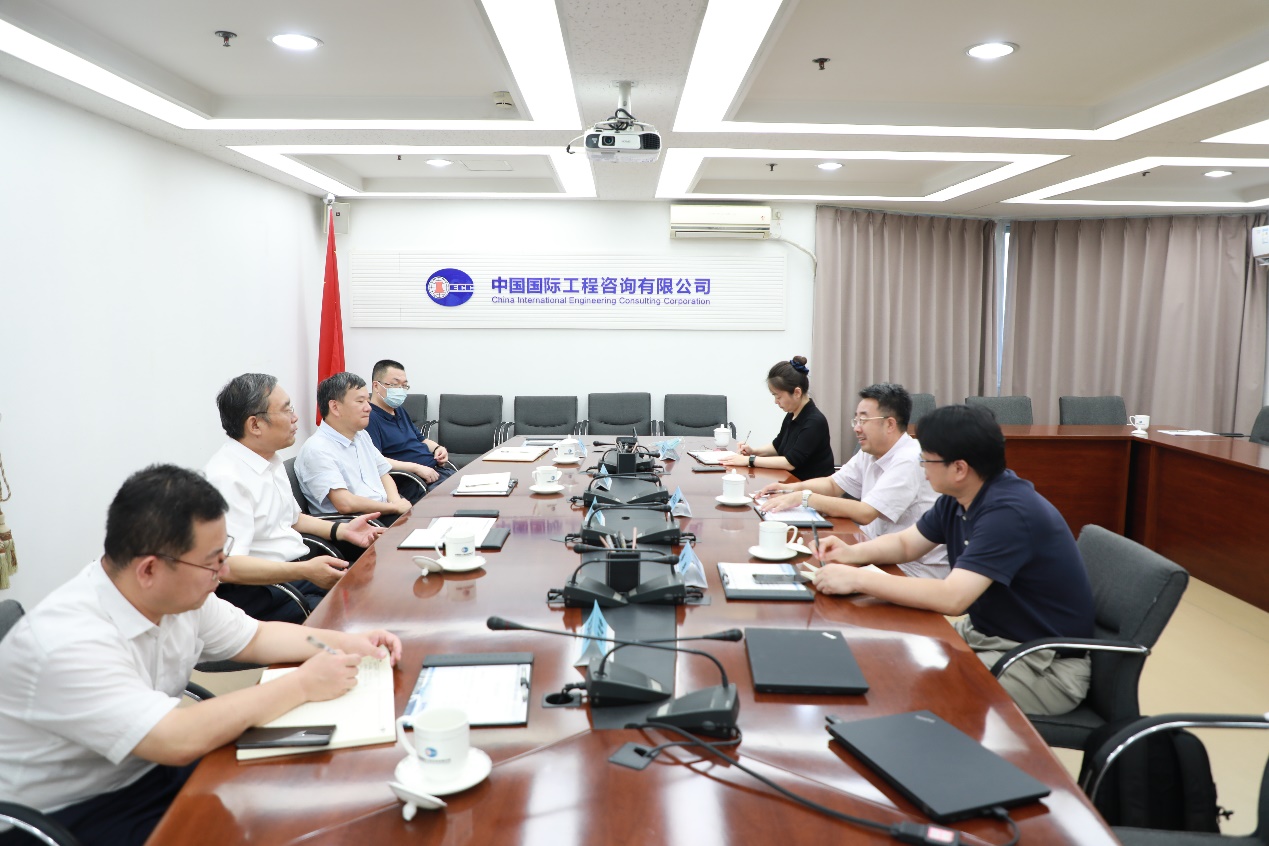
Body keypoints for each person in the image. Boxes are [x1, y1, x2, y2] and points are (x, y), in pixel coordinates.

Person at [0, 465, 402, 846]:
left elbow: (258, 636)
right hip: (69, 813)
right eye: (212, 562)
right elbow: (175, 738)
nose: (223, 572)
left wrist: (349, 642)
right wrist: (302, 684)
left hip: (147, 769)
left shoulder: (179, 595)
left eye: (223, 555)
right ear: (149, 570)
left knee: (289, 794)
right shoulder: (65, 642)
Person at [807, 404, 1094, 716]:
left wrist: (860, 579)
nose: (922, 468)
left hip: (1042, 664)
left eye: (926, 460)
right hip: (988, 636)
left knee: (915, 687)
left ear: (959, 469)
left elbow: (952, 598)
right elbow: (906, 544)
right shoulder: (961, 497)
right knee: (890, 654)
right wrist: (850, 554)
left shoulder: (1009, 513)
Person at [203, 373, 387, 623]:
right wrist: (304, 571)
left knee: (379, 590)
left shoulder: (270, 458)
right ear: (255, 425)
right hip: (266, 590)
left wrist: (341, 530)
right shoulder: (226, 478)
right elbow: (227, 566)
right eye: (286, 409)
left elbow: (293, 519)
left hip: (298, 571)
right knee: (359, 616)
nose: (295, 417)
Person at [755, 383, 948, 578]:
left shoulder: (909, 458)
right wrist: (790, 488)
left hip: (910, 570)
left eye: (863, 420)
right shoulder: (871, 451)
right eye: (855, 420)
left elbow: (866, 513)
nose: (856, 428)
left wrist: (804, 498)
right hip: (874, 552)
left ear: (890, 424)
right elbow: (833, 485)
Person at [294, 372, 412, 521]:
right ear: (335, 407)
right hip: (358, 524)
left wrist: (396, 502)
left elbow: (383, 473)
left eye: (367, 401)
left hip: (384, 513)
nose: (368, 408)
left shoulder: (361, 435)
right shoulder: (317, 449)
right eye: (360, 401)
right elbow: (345, 504)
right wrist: (393, 508)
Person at [723, 356, 834, 480]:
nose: (776, 401)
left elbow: (790, 462)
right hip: (790, 482)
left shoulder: (815, 422)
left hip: (811, 487)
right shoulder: (792, 414)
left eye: (778, 396)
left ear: (797, 393)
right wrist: (753, 451)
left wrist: (749, 460)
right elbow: (777, 446)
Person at [364, 359, 455, 500]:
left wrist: (438, 448)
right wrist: (417, 468)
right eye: (394, 385)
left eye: (404, 385)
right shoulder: (369, 417)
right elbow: (376, 460)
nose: (400, 390)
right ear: (376, 386)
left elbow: (421, 440)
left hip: (437, 472)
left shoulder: (399, 410)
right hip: (416, 481)